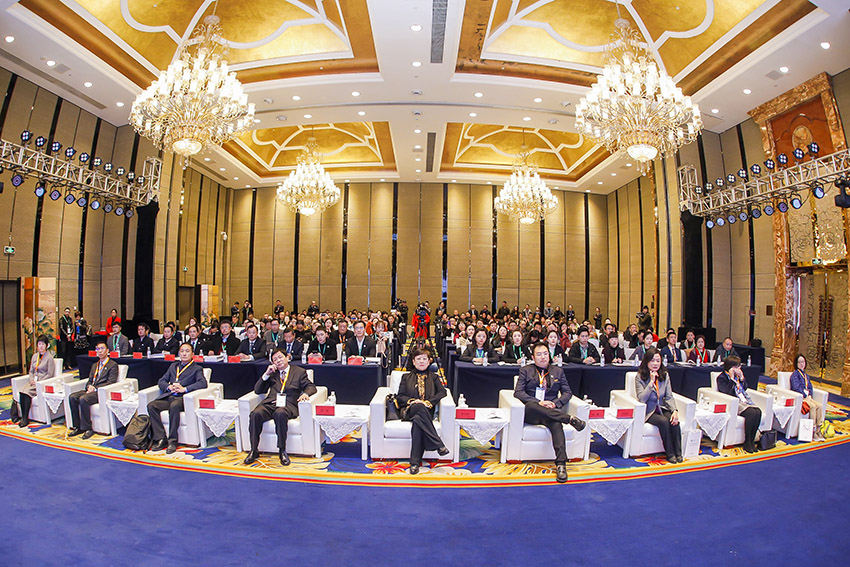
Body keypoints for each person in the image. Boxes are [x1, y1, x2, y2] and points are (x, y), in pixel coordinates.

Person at [514, 343, 586, 483]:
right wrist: (538, 402)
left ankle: (561, 465)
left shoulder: (558, 371)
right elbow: (518, 393)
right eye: (539, 354)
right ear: (533, 357)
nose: (543, 357)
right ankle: (569, 419)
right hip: (533, 411)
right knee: (531, 406)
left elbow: (567, 392)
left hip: (552, 412)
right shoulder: (525, 370)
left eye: (545, 353)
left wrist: (555, 403)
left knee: (556, 424)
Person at [243, 348, 316, 466]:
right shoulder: (272, 373)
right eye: (275, 359)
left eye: (280, 357)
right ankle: (254, 450)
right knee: (255, 414)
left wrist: (305, 394)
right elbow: (258, 390)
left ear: (287, 357)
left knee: (280, 413)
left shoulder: (299, 372)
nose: (278, 361)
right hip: (271, 403)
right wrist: (266, 374)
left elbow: (311, 387)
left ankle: (282, 450)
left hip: (288, 405)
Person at [395, 348, 451, 474]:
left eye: (424, 359)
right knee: (418, 408)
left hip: (425, 411)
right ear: (413, 361)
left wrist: (428, 402)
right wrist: (413, 401)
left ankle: (414, 463)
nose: (421, 361)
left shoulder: (434, 377)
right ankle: (438, 444)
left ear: (429, 361)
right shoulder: (406, 377)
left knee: (418, 422)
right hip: (409, 409)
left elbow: (443, 392)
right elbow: (400, 397)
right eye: (418, 359)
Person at [147, 343, 208, 454]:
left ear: (192, 354)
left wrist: (185, 389)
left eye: (187, 351)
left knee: (174, 406)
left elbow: (203, 383)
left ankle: (173, 441)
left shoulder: (196, 368)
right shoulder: (173, 366)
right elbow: (161, 381)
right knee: (152, 406)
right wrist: (168, 386)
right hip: (170, 396)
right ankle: (161, 438)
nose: (184, 354)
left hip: (182, 399)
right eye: (182, 351)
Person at [635, 348, 682, 463]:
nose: (655, 363)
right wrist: (651, 382)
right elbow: (642, 398)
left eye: (658, 361)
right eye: (652, 361)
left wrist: (674, 410)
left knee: (674, 421)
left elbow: (669, 396)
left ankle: (678, 453)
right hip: (649, 411)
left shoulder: (664, 375)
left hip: (661, 408)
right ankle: (670, 453)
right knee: (663, 421)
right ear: (647, 361)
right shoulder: (640, 377)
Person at [68, 342, 118, 439]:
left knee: (83, 399)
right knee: (72, 397)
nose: (100, 351)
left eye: (102, 348)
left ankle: (88, 428)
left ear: (107, 351)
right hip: (91, 390)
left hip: (101, 391)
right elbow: (90, 380)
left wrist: (95, 388)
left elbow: (111, 382)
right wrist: (89, 386)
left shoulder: (112, 365)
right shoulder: (95, 365)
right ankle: (77, 426)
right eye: (98, 349)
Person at [716, 356, 762, 453]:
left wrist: (742, 378)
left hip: (743, 400)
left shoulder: (738, 377)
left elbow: (745, 388)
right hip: (733, 401)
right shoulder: (721, 377)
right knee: (751, 413)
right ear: (730, 368)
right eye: (737, 367)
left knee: (758, 412)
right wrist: (732, 379)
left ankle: (752, 440)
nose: (739, 369)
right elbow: (726, 392)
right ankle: (747, 441)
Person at [14, 335, 56, 428]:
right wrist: (31, 379)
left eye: (43, 344)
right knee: (22, 391)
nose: (41, 346)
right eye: (39, 344)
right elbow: (31, 371)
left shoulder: (49, 358)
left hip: (42, 382)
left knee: (27, 392)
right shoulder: (35, 356)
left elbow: (50, 374)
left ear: (47, 345)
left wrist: (38, 382)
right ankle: (23, 416)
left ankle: (25, 418)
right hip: (33, 381)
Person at [789, 354, 825, 441]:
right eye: (800, 362)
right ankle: (812, 431)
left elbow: (810, 387)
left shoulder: (806, 376)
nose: (802, 364)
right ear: (796, 364)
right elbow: (796, 388)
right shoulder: (795, 375)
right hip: (801, 397)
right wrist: (805, 396)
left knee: (820, 406)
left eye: (803, 362)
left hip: (808, 397)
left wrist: (810, 395)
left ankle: (818, 430)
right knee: (812, 406)